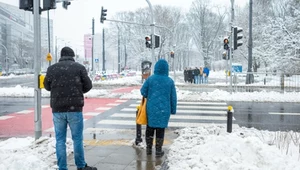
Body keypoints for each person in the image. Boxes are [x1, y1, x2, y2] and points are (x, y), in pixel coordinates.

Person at [44, 47, 97, 170]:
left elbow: (47, 86)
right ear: (72, 56)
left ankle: (62, 167)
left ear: (61, 56)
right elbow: (88, 85)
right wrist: (78, 91)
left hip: (58, 110)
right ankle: (80, 165)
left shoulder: (52, 69)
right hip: (75, 109)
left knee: (60, 140)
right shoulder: (79, 68)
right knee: (77, 138)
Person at [140, 59, 177, 157]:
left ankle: (148, 149)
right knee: (160, 130)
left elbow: (143, 91)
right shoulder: (169, 81)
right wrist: (173, 110)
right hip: (164, 110)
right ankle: (158, 150)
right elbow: (173, 97)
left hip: (151, 108)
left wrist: (151, 94)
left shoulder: (151, 79)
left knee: (150, 128)